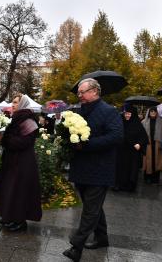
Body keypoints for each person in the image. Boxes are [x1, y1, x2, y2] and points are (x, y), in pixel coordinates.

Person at [63, 78, 123, 262]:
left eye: (83, 92)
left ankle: (77, 245)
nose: (80, 96)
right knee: (94, 206)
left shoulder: (109, 111)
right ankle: (102, 237)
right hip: (81, 167)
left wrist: (88, 144)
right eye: (79, 93)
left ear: (95, 91)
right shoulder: (78, 112)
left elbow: (116, 136)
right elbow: (72, 133)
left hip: (100, 168)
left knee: (90, 208)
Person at [0, 93, 42, 232]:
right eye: (12, 102)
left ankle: (20, 221)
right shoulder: (15, 119)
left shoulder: (28, 121)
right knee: (10, 190)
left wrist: (4, 139)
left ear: (23, 104)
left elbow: (26, 142)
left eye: (16, 102)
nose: (13, 104)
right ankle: (10, 217)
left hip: (23, 162)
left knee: (19, 192)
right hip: (12, 161)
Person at [114, 104, 149, 192]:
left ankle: (129, 186)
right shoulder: (119, 122)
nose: (127, 115)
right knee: (119, 168)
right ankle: (118, 185)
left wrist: (139, 144)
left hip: (132, 152)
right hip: (121, 150)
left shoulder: (137, 124)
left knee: (131, 169)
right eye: (125, 113)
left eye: (129, 113)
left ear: (133, 114)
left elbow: (144, 137)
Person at [141, 107, 162, 184]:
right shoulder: (144, 122)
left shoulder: (161, 122)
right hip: (147, 144)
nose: (153, 112)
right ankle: (147, 177)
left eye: (154, 111)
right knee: (148, 160)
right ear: (149, 112)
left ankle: (155, 178)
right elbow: (141, 134)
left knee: (156, 160)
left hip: (157, 144)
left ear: (157, 112)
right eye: (151, 111)